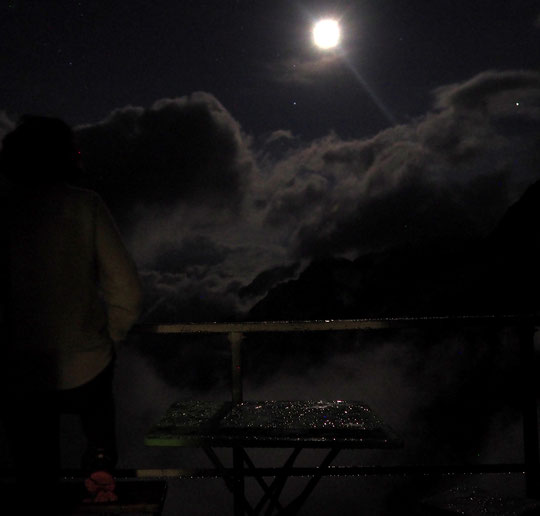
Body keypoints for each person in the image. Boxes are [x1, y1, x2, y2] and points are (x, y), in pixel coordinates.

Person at [0, 116, 143, 509]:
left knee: (34, 468)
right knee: (97, 406)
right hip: (88, 361)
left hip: (19, 367)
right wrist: (110, 337)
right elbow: (125, 287)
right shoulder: (86, 206)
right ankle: (99, 459)